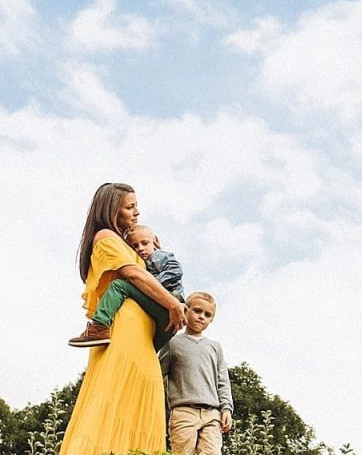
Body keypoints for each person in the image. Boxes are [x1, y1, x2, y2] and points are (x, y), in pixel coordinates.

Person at [58, 183, 187, 455]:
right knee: (115, 399)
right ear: (111, 209)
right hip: (123, 333)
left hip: (141, 336)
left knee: (141, 399)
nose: (137, 212)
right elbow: (134, 275)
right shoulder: (106, 236)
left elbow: (150, 271)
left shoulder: (128, 242)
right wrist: (173, 304)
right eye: (130, 206)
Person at [68, 223, 186, 350]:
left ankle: (99, 326)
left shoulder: (159, 255)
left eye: (145, 243)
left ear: (156, 241)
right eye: (135, 246)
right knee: (146, 350)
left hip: (170, 301)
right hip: (165, 323)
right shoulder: (142, 262)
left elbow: (175, 271)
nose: (140, 248)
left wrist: (151, 285)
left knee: (119, 286)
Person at [159, 291, 234, 455]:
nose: (201, 317)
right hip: (183, 411)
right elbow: (157, 376)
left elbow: (223, 381)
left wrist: (226, 409)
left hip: (212, 414)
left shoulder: (214, 347)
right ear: (186, 310)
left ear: (211, 320)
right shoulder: (172, 343)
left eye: (207, 315)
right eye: (197, 311)